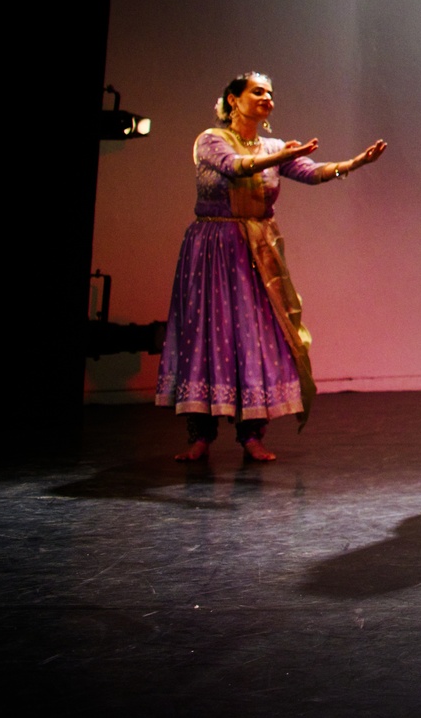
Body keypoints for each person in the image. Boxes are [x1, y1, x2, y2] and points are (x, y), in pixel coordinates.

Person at [156, 72, 386, 461]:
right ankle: (200, 436)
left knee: (255, 336)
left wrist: (355, 162)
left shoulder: (274, 146)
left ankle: (251, 435)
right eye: (258, 91)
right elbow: (236, 167)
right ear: (233, 99)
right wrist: (280, 157)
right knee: (207, 334)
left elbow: (311, 173)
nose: (267, 98)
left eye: (270, 93)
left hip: (257, 250)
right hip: (213, 248)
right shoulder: (210, 140)